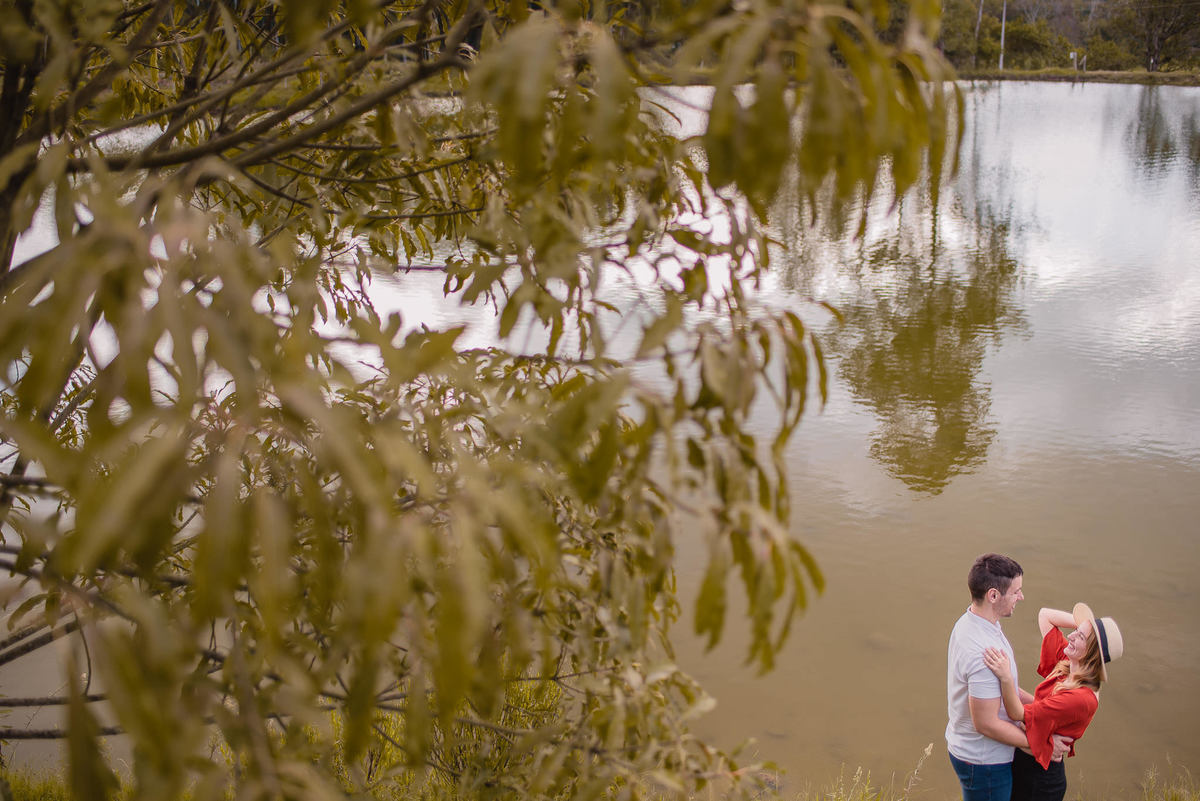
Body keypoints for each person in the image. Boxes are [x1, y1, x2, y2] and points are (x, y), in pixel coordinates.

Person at [946, 554, 1072, 801]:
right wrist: (1040, 744)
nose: (1021, 597)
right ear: (993, 596)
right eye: (1016, 592)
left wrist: (1046, 712)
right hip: (983, 763)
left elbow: (1007, 690)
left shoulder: (974, 621)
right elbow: (986, 723)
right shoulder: (982, 653)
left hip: (979, 753)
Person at [983, 603, 1124, 801]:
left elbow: (1017, 714)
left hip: (1039, 781)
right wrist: (1085, 625)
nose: (1071, 636)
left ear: (1091, 654)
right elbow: (1045, 616)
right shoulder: (1069, 665)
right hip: (1025, 763)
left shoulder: (1081, 698)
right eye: (1076, 630)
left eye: (1080, 637)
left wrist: (1006, 677)